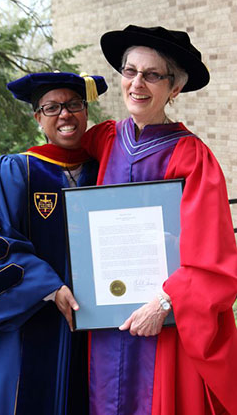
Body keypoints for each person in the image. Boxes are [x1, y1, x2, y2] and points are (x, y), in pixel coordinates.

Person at [82, 25, 237, 414]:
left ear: (174, 89)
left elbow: (212, 256)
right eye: (129, 71)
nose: (137, 83)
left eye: (152, 75)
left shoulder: (192, 157)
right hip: (107, 319)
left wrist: (164, 302)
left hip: (165, 323)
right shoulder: (105, 138)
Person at [0, 71, 108, 415]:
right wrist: (50, 287)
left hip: (97, 325)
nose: (65, 114)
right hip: (29, 323)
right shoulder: (14, 171)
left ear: (86, 111)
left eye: (73, 104)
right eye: (52, 107)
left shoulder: (106, 170)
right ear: (38, 117)